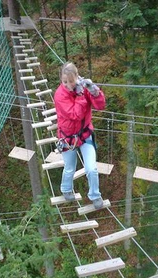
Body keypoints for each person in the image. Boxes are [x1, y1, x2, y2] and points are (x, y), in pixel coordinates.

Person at [54, 62, 106, 209]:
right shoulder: (60, 95)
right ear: (61, 80)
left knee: (91, 168)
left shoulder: (83, 88)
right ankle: (65, 189)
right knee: (70, 167)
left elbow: (100, 106)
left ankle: (95, 195)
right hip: (68, 138)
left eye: (71, 81)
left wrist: (95, 91)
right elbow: (75, 114)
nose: (68, 85)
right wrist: (81, 94)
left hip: (84, 136)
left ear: (77, 77)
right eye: (65, 82)